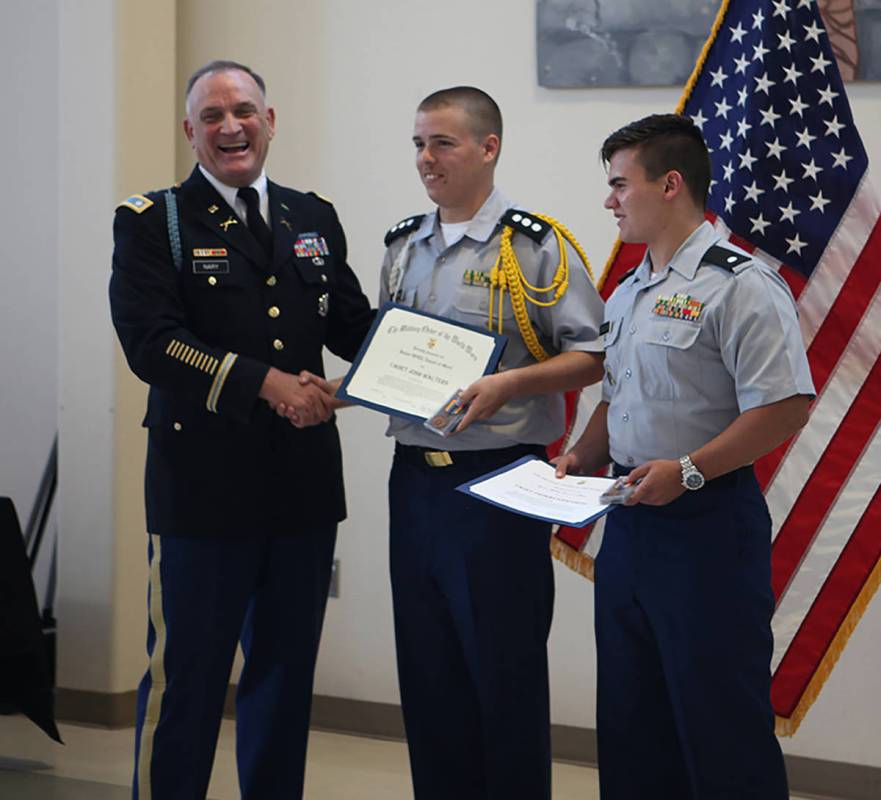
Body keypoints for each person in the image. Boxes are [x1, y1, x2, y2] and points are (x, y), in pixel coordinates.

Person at [109, 60, 373, 800]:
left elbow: (351, 324)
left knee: (285, 682)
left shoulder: (311, 216)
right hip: (202, 493)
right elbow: (151, 343)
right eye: (214, 116)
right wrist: (265, 382)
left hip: (301, 491)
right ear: (190, 131)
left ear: (270, 119)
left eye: (246, 111)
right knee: (186, 683)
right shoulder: (152, 219)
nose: (233, 127)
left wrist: (435, 352)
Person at [554, 114, 815, 799]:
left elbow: (785, 405)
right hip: (631, 524)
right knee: (631, 724)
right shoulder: (630, 289)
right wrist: (583, 451)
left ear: (670, 184)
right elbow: (622, 391)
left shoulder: (741, 285)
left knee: (718, 726)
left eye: (619, 184)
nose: (608, 200)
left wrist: (690, 469)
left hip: (705, 528)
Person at [377, 87, 605, 800]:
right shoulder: (403, 243)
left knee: (501, 668)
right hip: (414, 477)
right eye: (418, 142)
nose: (425, 158)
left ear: (487, 147)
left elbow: (594, 355)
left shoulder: (536, 246)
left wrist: (507, 386)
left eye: (441, 142)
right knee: (426, 665)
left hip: (498, 482)